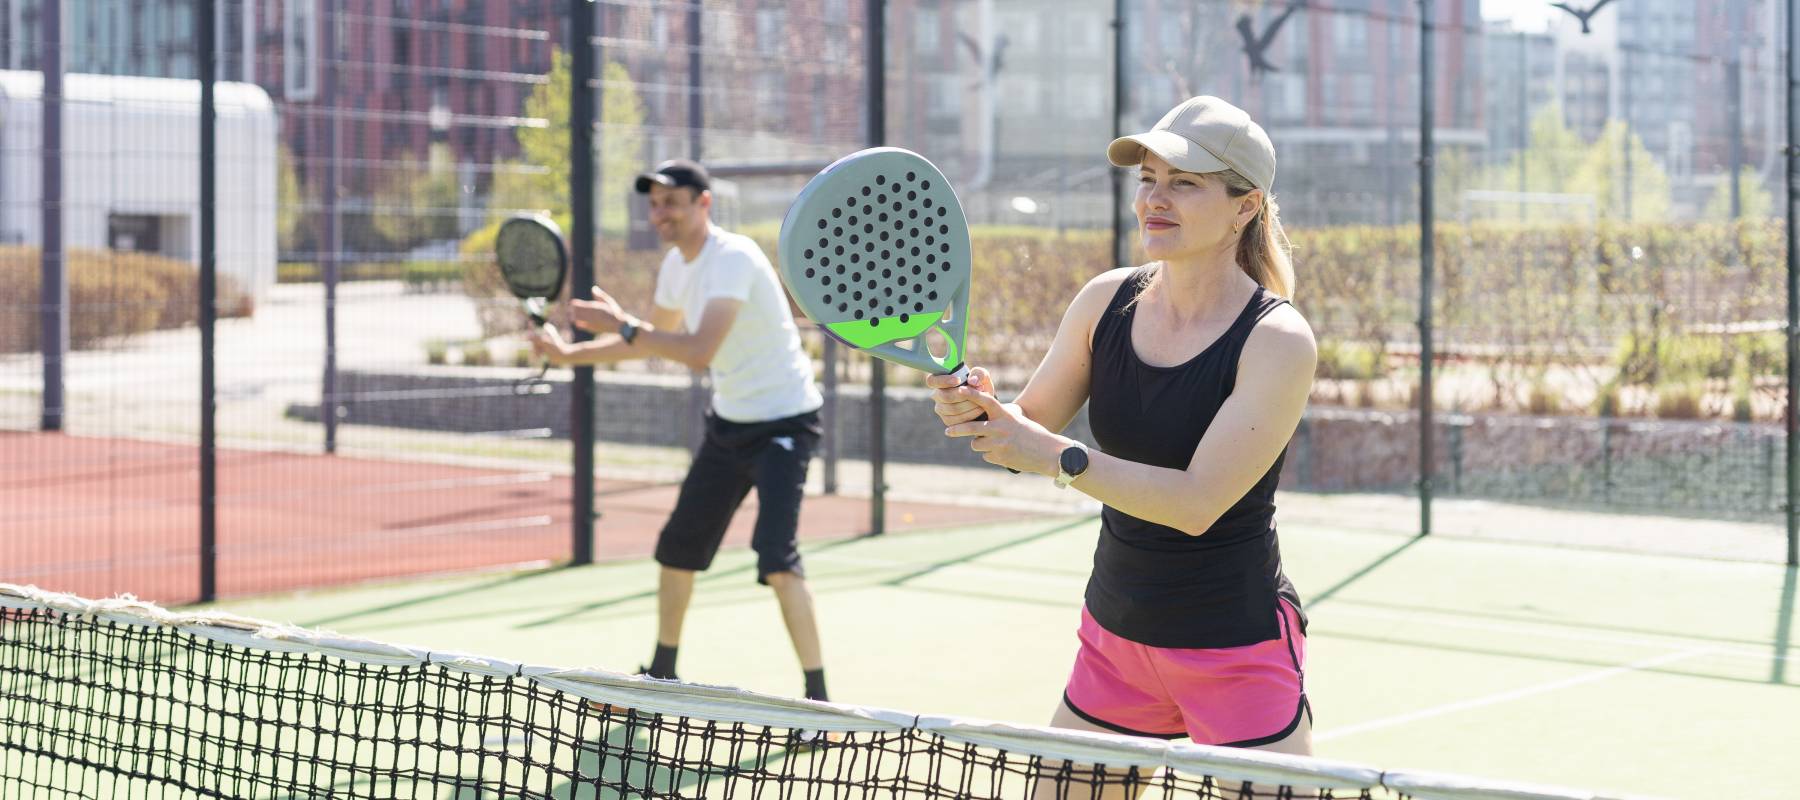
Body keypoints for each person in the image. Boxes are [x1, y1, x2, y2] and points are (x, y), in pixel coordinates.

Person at [928, 96, 1317, 764]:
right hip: (1114, 637)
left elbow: (1196, 503)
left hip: (1235, 647)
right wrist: (982, 411)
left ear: (1244, 206)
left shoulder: (1278, 340)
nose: (1154, 201)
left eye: (1185, 184)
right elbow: (1026, 433)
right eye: (1148, 180)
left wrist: (1052, 454)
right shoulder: (1104, 299)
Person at [532, 159, 831, 704]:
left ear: (704, 204)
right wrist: (570, 353)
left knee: (777, 559)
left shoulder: (733, 257)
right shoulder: (675, 266)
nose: (660, 213)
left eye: (671, 201)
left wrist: (625, 324)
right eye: (654, 203)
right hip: (730, 425)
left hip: (786, 423)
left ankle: (819, 700)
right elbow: (648, 339)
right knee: (676, 549)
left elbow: (696, 351)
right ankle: (662, 673)